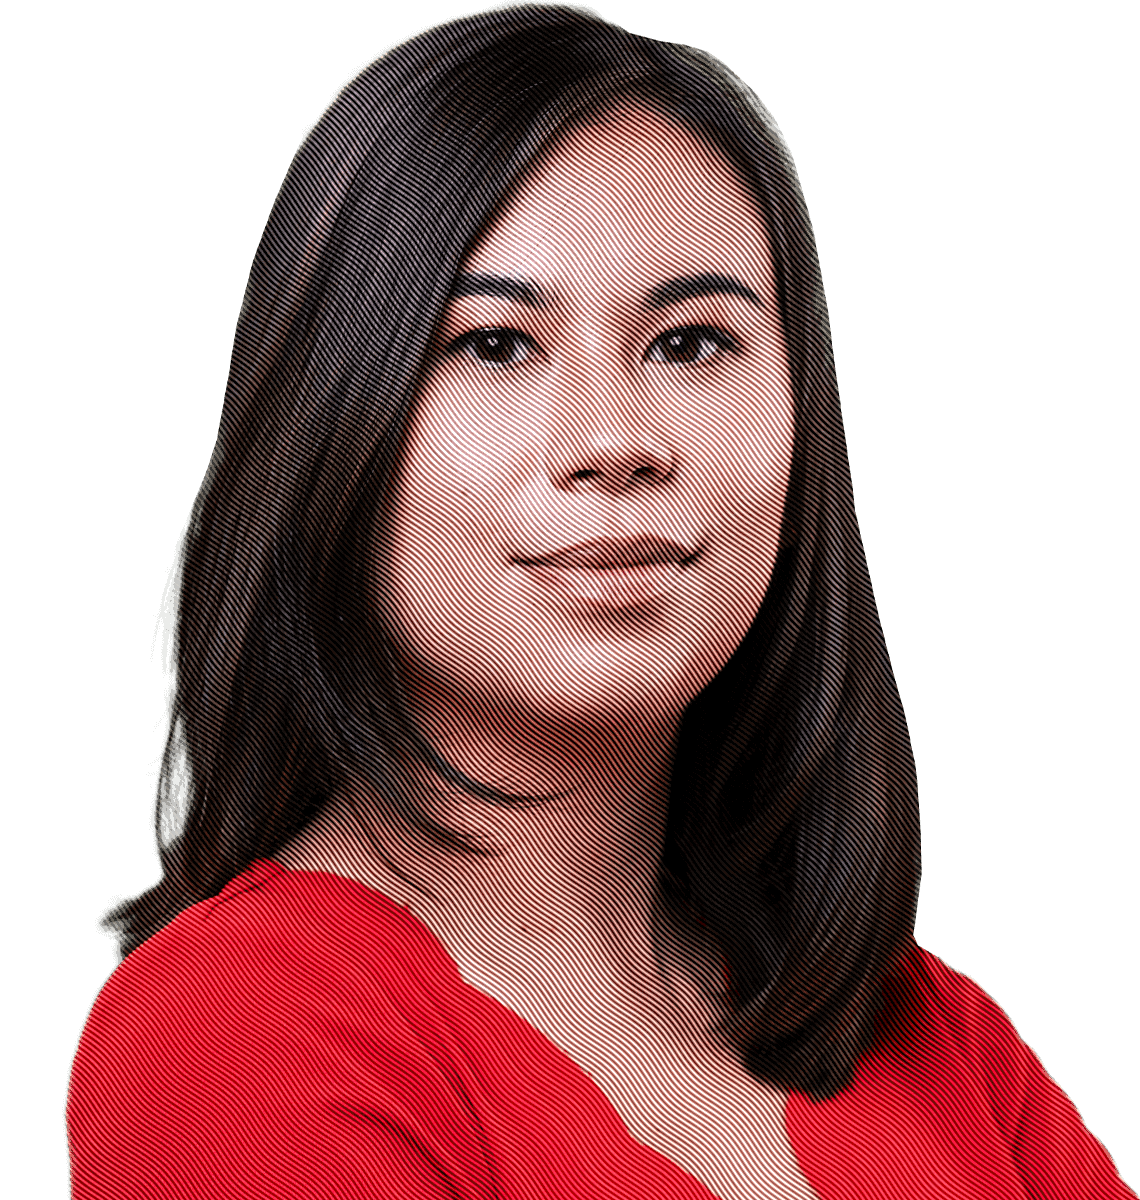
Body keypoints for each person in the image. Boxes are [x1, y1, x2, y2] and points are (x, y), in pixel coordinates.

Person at [65, 5, 1133, 1198]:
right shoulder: (236, 1036)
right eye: (493, 344)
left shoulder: (932, 1037)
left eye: (689, 342)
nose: (614, 442)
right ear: (329, 432)